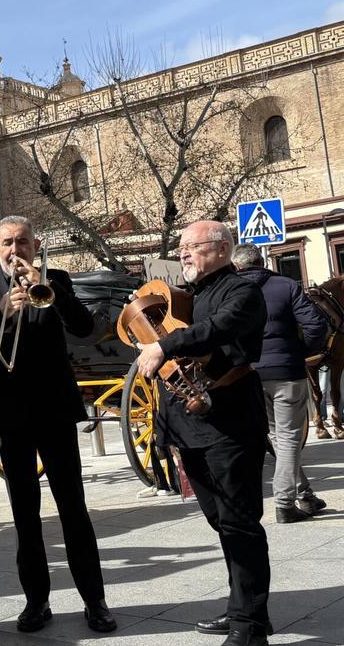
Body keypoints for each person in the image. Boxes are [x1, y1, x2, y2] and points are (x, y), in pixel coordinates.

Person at [0, 215, 116, 635]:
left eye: (22, 242)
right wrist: (1, 310)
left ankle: (95, 601)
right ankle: (36, 602)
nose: (15, 250)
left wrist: (52, 291)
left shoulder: (56, 278)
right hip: (9, 411)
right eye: (7, 243)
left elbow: (84, 329)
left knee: (73, 508)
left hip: (55, 407)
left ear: (36, 244)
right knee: (24, 513)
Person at [136, 221, 270, 646]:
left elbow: (220, 328)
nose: (183, 254)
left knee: (239, 522)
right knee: (221, 521)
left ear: (221, 249)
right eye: (181, 248)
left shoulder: (241, 290)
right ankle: (244, 610)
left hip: (229, 421)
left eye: (191, 247)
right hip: (192, 425)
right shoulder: (192, 296)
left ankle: (249, 628)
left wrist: (164, 346)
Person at [233, 243, 329, 522]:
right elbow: (316, 325)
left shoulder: (229, 291)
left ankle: (306, 495)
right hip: (286, 372)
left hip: (247, 374)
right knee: (288, 438)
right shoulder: (285, 285)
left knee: (277, 436)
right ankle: (285, 504)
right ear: (262, 261)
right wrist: (301, 352)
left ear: (237, 266)